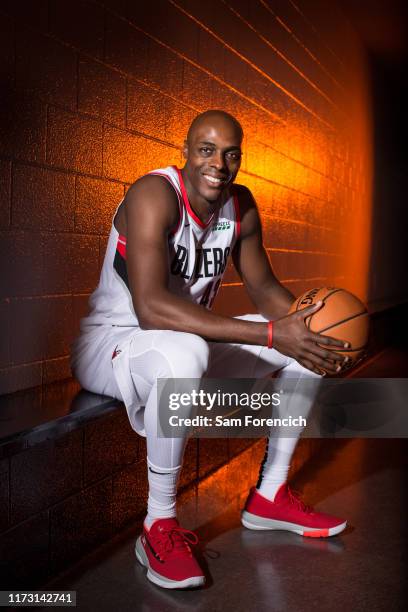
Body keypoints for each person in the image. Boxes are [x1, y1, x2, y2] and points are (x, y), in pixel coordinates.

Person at [71, 110, 350, 590]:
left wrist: (314, 330)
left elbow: (264, 291)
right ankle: (158, 524)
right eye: (206, 149)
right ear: (185, 151)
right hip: (113, 343)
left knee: (300, 345)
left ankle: (270, 494)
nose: (218, 163)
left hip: (184, 342)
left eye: (230, 153)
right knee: (187, 354)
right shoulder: (153, 195)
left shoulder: (240, 207)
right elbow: (152, 309)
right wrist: (269, 335)